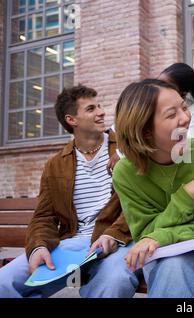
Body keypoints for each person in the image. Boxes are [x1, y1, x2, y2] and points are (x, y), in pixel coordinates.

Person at [0, 85, 138, 298]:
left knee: (115, 280)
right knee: (4, 282)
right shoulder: (55, 165)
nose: (101, 112)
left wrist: (113, 235)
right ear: (72, 120)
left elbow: (139, 202)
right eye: (91, 109)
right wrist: (38, 247)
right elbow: (43, 216)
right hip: (72, 246)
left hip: (117, 240)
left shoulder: (127, 149)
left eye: (99, 106)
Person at [112, 79, 194, 298]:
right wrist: (186, 196)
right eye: (172, 114)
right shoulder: (124, 173)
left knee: (174, 268)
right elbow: (145, 233)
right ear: (145, 131)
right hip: (157, 254)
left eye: (184, 107)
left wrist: (163, 236)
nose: (186, 118)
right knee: (169, 268)